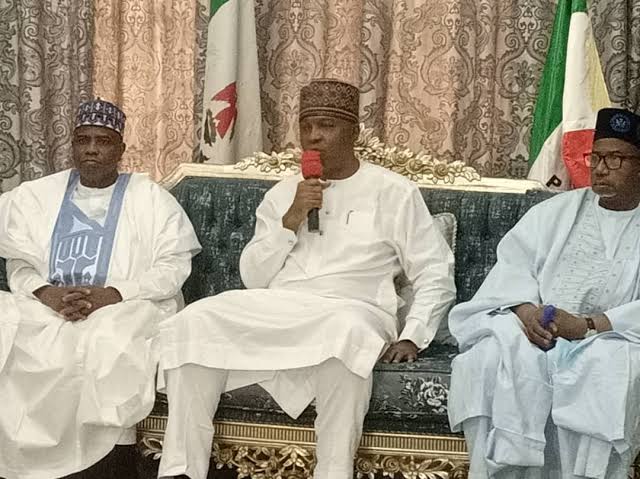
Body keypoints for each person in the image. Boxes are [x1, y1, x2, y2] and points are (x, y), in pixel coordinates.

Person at [156, 79, 456, 479]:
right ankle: (181, 469)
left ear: (354, 132)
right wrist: (291, 219)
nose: (313, 136)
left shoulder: (394, 191)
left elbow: (434, 270)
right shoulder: (284, 194)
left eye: (327, 126)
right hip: (282, 305)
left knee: (346, 335)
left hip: (356, 307)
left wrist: (413, 335)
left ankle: (333, 471)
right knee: (194, 320)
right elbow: (253, 277)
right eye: (306, 126)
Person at [0, 99, 201, 479]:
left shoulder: (150, 198)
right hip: (50, 305)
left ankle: (108, 462)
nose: (91, 149)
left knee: (110, 338)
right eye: (83, 140)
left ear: (121, 149)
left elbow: (172, 268)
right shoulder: (37, 196)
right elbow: (19, 262)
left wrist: (112, 294)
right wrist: (46, 293)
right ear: (72, 145)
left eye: (103, 141)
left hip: (123, 304)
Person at [448, 107, 640, 479]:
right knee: (486, 359)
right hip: (541, 334)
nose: (601, 168)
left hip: (614, 338)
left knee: (609, 367)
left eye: (615, 159)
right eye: (596, 157)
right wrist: (526, 313)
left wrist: (588, 325)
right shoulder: (554, 212)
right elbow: (512, 270)